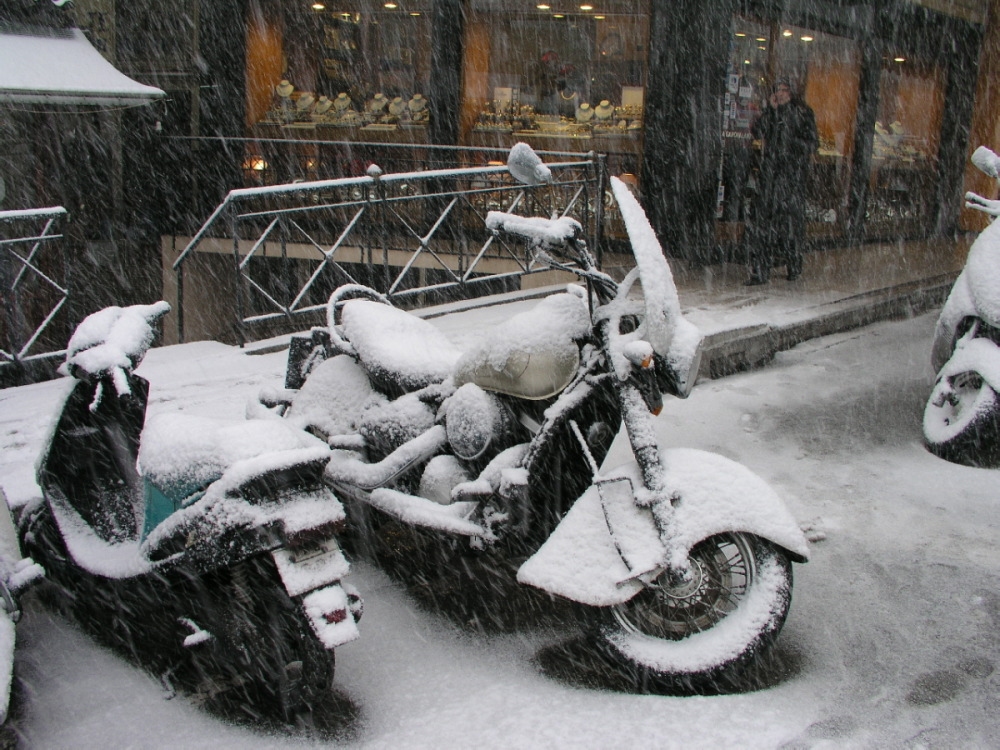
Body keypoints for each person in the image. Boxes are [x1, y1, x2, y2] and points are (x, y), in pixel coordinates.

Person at [745, 78, 818, 284]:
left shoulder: (803, 113)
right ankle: (760, 270)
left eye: (785, 90)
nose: (781, 94)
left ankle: (793, 264)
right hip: (770, 175)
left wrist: (791, 144)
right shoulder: (772, 113)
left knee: (789, 225)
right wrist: (771, 111)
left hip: (791, 177)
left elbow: (812, 143)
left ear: (791, 93)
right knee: (763, 223)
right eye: (777, 90)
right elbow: (758, 132)